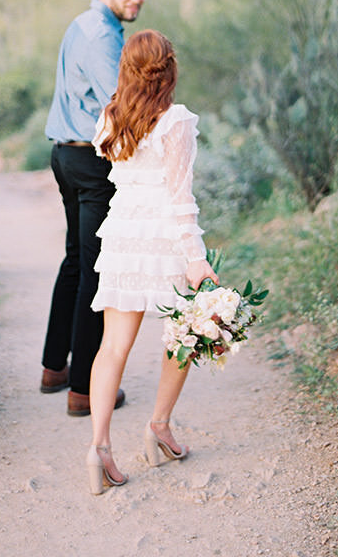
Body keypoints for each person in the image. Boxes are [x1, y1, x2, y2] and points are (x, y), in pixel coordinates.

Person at [85, 29, 218, 495]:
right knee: (183, 336)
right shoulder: (175, 120)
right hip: (161, 238)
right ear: (170, 69)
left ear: (126, 68)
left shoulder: (110, 115)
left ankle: (99, 448)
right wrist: (197, 259)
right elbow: (181, 197)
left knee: (112, 347)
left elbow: (118, 176)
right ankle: (158, 427)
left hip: (121, 234)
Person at [41, 0, 150, 416]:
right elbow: (120, 106)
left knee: (75, 260)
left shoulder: (83, 23)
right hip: (89, 161)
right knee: (95, 270)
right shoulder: (104, 35)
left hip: (65, 156)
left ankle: (54, 368)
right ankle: (84, 390)